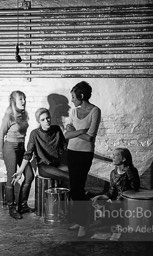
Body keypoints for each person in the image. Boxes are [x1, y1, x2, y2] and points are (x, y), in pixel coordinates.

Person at [64, 81, 101, 237]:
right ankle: (81, 220)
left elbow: (90, 138)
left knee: (78, 190)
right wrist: (81, 131)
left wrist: (75, 132)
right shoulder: (73, 111)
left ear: (81, 96)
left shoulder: (95, 111)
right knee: (74, 189)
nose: (71, 100)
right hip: (71, 152)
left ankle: (84, 223)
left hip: (84, 154)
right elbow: (67, 135)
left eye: (73, 97)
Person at [0, 91, 34, 220]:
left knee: (29, 176)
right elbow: (0, 135)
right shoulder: (9, 115)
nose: (24, 101)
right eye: (20, 99)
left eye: (24, 98)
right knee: (12, 177)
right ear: (14, 101)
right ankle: (11, 207)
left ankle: (23, 205)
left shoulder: (23, 114)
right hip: (10, 148)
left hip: (21, 147)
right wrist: (1, 153)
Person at [12, 108, 69, 189]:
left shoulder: (56, 129)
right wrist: (20, 171)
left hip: (57, 164)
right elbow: (28, 154)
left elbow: (65, 147)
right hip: (44, 167)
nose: (46, 121)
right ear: (39, 121)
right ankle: (79, 198)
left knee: (76, 172)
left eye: (47, 118)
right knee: (69, 176)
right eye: (43, 119)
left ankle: (74, 197)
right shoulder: (35, 134)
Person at [91, 148, 140, 240]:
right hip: (116, 201)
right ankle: (115, 227)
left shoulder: (132, 171)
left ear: (124, 159)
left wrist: (129, 171)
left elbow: (135, 188)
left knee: (111, 207)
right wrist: (99, 197)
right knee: (95, 203)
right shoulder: (113, 173)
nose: (112, 157)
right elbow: (110, 193)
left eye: (116, 155)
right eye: (112, 155)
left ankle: (118, 230)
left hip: (128, 202)